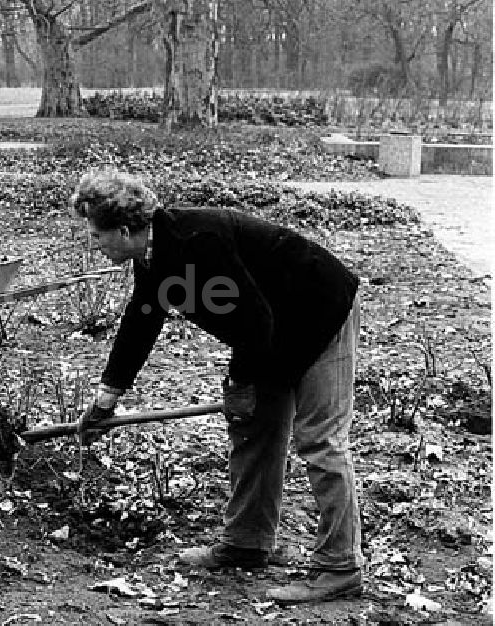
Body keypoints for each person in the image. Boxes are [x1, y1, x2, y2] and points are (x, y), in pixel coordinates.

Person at [72, 170, 363, 604]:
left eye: (98, 235)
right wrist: (105, 400)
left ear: (127, 230)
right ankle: (247, 542)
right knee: (255, 426)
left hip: (319, 311)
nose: (95, 244)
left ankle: (340, 567)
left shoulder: (196, 244)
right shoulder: (154, 254)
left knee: (320, 440)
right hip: (273, 327)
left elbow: (254, 323)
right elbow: (142, 318)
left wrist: (240, 382)